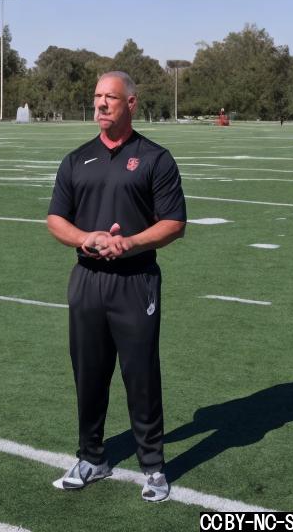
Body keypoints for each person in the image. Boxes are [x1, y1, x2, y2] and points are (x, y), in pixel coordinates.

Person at [47, 71, 186, 502]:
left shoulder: (155, 158)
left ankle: (154, 467)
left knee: (140, 374)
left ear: (131, 104)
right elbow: (56, 219)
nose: (101, 104)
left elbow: (174, 223)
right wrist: (84, 238)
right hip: (87, 280)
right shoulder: (76, 159)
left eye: (110, 97)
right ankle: (92, 457)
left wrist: (130, 242)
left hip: (135, 281)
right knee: (88, 373)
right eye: (96, 97)